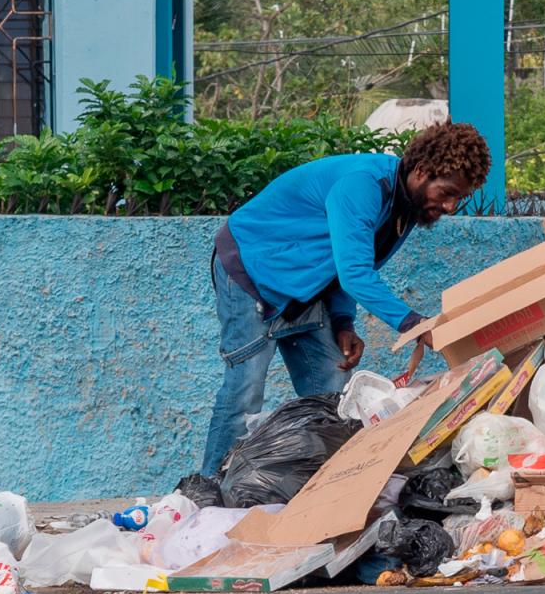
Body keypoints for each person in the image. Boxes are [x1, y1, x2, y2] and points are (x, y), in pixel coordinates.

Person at [198, 122, 492, 477]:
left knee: (334, 390)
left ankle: (327, 488)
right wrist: (414, 324)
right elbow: (354, 273)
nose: (450, 206)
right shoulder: (364, 185)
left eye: (459, 198)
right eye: (447, 193)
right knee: (245, 393)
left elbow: (345, 264)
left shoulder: (406, 208)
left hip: (303, 288)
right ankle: (208, 489)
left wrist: (342, 322)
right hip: (252, 273)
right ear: (421, 171)